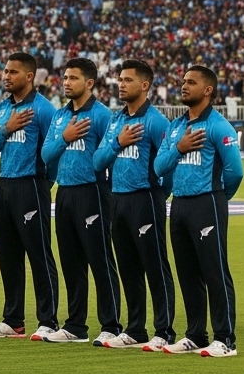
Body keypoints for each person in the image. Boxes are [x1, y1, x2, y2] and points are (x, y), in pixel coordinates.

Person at [155, 66, 244, 358]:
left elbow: (235, 173)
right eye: (183, 82)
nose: (184, 86)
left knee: (215, 272)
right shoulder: (176, 126)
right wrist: (178, 148)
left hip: (207, 204)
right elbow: (158, 167)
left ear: (207, 90)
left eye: (191, 82)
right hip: (179, 204)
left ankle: (225, 339)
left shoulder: (219, 127)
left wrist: (216, 198)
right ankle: (195, 334)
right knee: (187, 274)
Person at [93, 59, 176, 351]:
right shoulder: (116, 120)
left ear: (144, 85)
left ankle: (164, 331)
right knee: (128, 268)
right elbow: (98, 160)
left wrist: (156, 196)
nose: (121, 84)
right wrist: (117, 142)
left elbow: (169, 168)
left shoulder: (156, 121)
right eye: (120, 79)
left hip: (145, 199)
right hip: (118, 199)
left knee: (155, 266)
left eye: (127, 80)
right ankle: (135, 329)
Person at [39, 57, 121, 345]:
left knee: (99, 259)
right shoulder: (60, 116)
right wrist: (65, 136)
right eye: (64, 77)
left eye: (72, 78)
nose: (66, 82)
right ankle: (75, 326)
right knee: (71, 261)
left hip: (93, 192)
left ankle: (111, 325)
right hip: (64, 193)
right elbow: (46, 155)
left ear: (89, 82)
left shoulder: (102, 116)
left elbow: (110, 155)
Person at [0, 52, 60, 339]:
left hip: (31, 186)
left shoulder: (44, 109)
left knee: (39, 255)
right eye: (5, 71)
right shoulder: (2, 109)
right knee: (8, 257)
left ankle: (48, 320)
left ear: (29, 76)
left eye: (13, 72)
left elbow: (54, 157)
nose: (6, 76)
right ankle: (13, 320)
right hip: (4, 186)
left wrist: (41, 185)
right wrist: (6, 128)